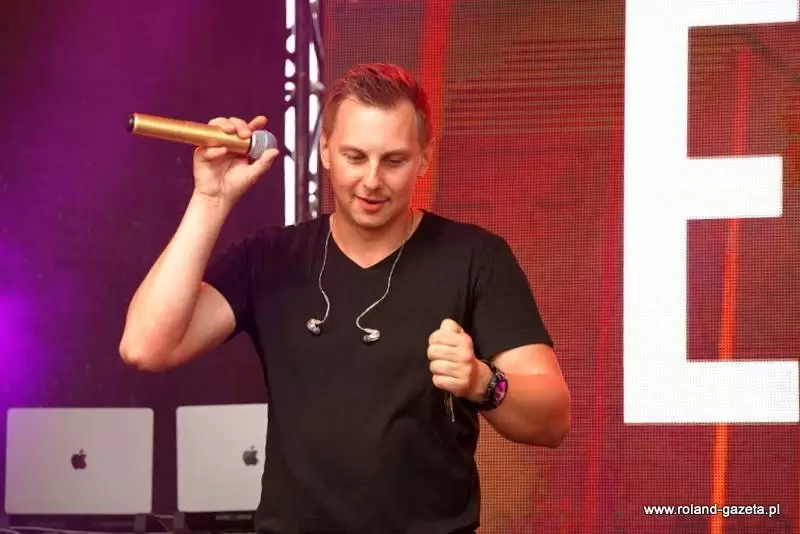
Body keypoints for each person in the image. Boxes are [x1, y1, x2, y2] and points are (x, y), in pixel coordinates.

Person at [120, 63, 570, 534]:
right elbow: (145, 346)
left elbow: (553, 420)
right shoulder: (271, 257)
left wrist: (482, 381)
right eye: (355, 157)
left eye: (393, 161)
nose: (372, 181)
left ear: (424, 158)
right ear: (326, 150)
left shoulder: (476, 257)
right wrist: (211, 199)